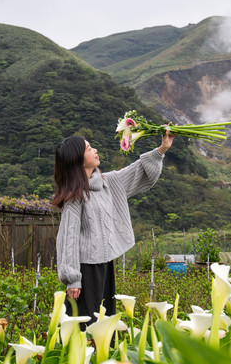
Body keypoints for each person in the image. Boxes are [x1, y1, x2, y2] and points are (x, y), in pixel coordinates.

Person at [52, 127, 174, 325]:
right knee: (84, 321)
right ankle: (79, 355)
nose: (95, 150)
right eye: (89, 148)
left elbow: (136, 172)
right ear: (77, 159)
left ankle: (103, 354)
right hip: (86, 270)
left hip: (105, 265)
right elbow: (68, 237)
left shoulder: (108, 182)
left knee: (105, 319)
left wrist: (162, 148)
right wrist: (73, 278)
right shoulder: (75, 196)